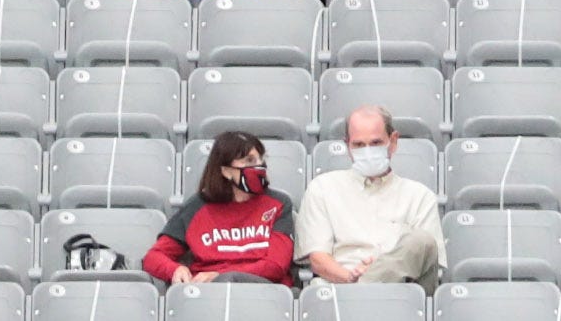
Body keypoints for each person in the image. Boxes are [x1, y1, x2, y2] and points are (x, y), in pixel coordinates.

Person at [299, 107, 445, 289]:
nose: (368, 152)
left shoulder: (420, 196)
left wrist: (374, 276)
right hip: (339, 291)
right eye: (359, 145)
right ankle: (365, 290)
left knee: (421, 241)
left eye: (376, 143)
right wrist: (350, 278)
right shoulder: (322, 188)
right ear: (347, 146)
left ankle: (366, 290)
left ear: (393, 141)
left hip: (399, 294)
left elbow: (428, 261)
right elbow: (318, 259)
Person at [145, 133, 296, 286]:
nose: (260, 166)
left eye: (261, 159)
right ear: (226, 171)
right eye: (249, 160)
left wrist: (221, 276)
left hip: (261, 291)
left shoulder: (278, 204)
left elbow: (276, 266)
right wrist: (175, 270)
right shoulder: (197, 206)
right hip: (208, 294)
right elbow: (154, 257)